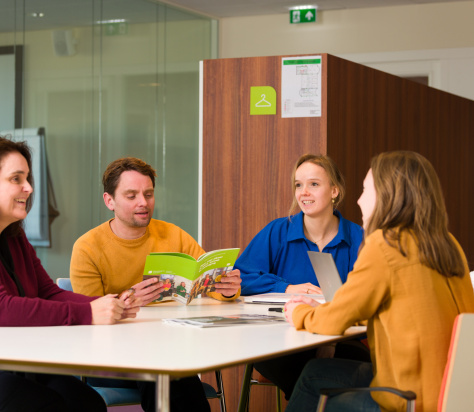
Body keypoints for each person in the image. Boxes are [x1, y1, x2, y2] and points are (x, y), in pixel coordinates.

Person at [284, 151, 474, 412]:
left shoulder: (385, 244)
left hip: (408, 398)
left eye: (365, 191)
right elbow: (402, 309)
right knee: (316, 371)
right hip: (452, 390)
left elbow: (333, 321)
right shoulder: (448, 244)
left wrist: (299, 312)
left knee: (319, 394)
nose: (360, 201)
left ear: (388, 196)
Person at [70, 156, 242, 412]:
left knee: (167, 368)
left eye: (148, 194)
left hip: (169, 347)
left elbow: (209, 280)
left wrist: (228, 289)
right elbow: (89, 319)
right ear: (109, 201)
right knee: (163, 370)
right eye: (131, 196)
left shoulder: (172, 234)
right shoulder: (87, 247)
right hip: (108, 358)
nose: (143, 202)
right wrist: (126, 300)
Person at [0, 137, 139, 412]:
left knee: (88, 403)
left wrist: (107, 304)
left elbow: (49, 292)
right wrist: (87, 314)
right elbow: (3, 309)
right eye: (16, 178)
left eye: (27, 178)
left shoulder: (15, 237)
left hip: (21, 362)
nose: (28, 188)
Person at [234, 154, 364, 399]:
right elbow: (240, 278)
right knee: (307, 371)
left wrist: (331, 339)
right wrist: (287, 287)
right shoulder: (277, 231)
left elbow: (370, 301)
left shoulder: (359, 239)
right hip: (281, 339)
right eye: (298, 185)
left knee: (332, 368)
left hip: (343, 340)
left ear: (334, 191)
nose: (304, 192)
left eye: (314, 184)